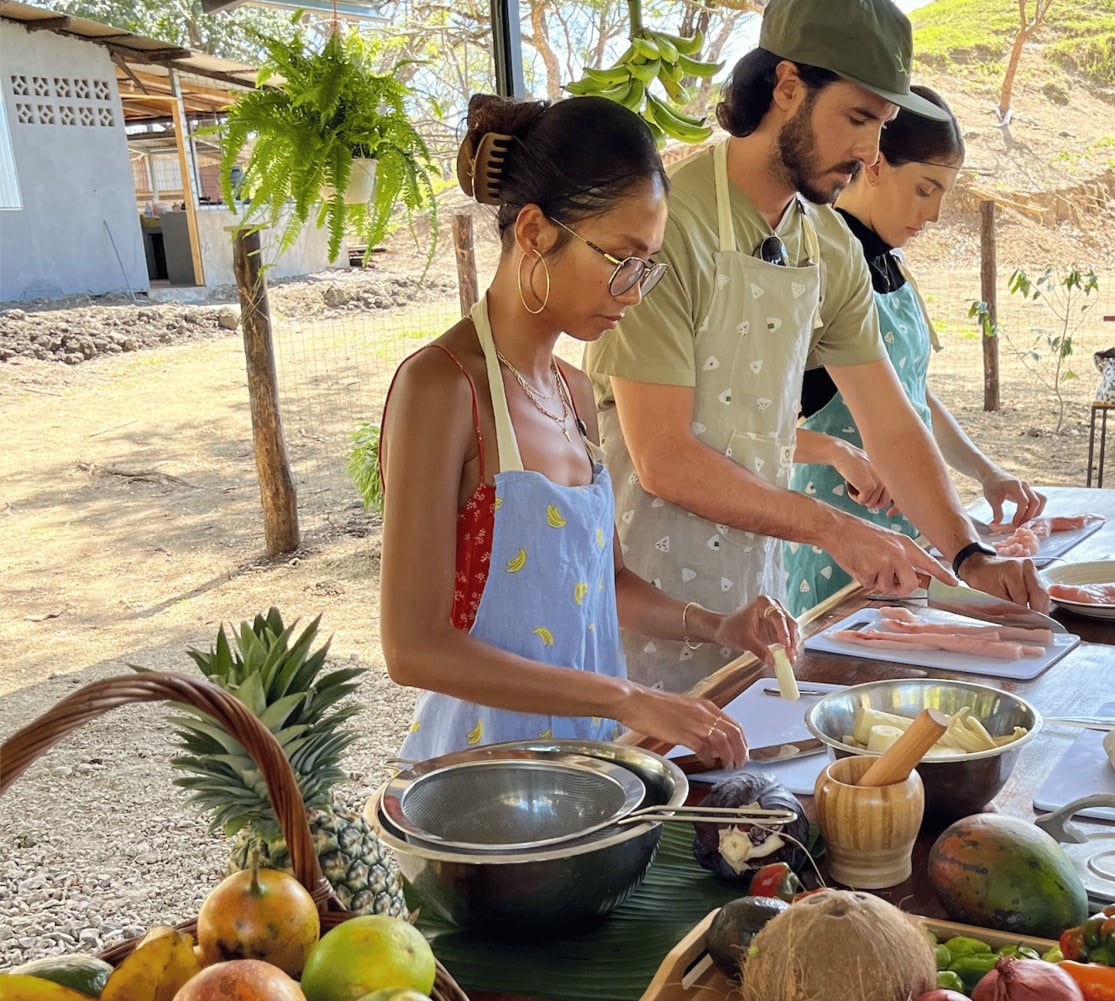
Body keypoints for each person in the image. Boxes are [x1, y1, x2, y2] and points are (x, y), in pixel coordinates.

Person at [583, 0, 1047, 692]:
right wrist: (835, 528)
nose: (868, 154)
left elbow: (891, 420)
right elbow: (664, 458)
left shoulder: (828, 245)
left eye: (881, 129)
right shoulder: (669, 229)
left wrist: (968, 551)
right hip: (641, 614)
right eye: (858, 120)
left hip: (758, 606)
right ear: (789, 88)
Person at [378, 94, 799, 767]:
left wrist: (718, 624)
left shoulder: (573, 391)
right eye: (621, 258)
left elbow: (606, 582)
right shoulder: (443, 388)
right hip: (481, 786)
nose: (635, 290)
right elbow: (412, 647)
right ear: (535, 232)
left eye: (648, 265)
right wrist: (625, 696)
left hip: (587, 774)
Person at [785, 84, 1045, 615]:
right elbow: (749, 423)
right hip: (840, 538)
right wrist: (837, 452)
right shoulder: (820, 262)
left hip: (914, 525)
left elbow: (909, 400)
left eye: (944, 194)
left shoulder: (891, 266)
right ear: (875, 161)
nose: (934, 214)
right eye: (926, 189)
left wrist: (985, 472)